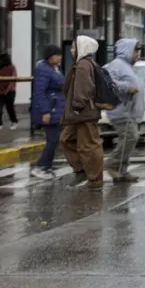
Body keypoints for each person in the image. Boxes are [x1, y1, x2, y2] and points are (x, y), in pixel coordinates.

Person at [60, 35, 105, 190]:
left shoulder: (83, 65)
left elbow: (84, 87)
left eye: (74, 47)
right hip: (78, 113)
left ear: (83, 48)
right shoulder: (82, 64)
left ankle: (95, 179)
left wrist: (77, 106)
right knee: (67, 139)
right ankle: (81, 170)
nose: (71, 50)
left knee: (89, 146)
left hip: (83, 113)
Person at [104, 38, 144, 183]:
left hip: (129, 110)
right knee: (130, 137)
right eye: (135, 51)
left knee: (130, 138)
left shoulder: (127, 66)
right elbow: (109, 83)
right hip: (121, 110)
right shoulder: (116, 65)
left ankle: (121, 170)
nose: (137, 54)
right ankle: (112, 163)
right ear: (126, 50)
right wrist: (128, 87)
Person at [30, 45, 65, 180]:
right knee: (53, 140)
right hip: (50, 110)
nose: (60, 57)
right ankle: (41, 166)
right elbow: (39, 92)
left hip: (56, 109)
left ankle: (46, 167)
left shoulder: (53, 69)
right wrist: (46, 111)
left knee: (54, 140)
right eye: (57, 55)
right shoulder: (43, 70)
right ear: (51, 56)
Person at [0, 53, 19, 131]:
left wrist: (7, 90)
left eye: (0, 60)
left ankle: (14, 121)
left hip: (10, 91)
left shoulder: (12, 67)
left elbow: (12, 79)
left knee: (10, 107)